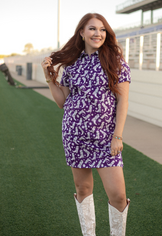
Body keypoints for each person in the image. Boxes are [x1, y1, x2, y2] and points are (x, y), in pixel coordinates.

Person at [41, 13, 131, 236]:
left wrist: (117, 135)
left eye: (102, 29)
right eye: (92, 29)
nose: (97, 33)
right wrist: (49, 78)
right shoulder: (72, 65)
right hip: (75, 135)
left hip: (105, 138)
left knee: (118, 196)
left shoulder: (115, 61)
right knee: (83, 188)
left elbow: (123, 101)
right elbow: (63, 101)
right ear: (82, 32)